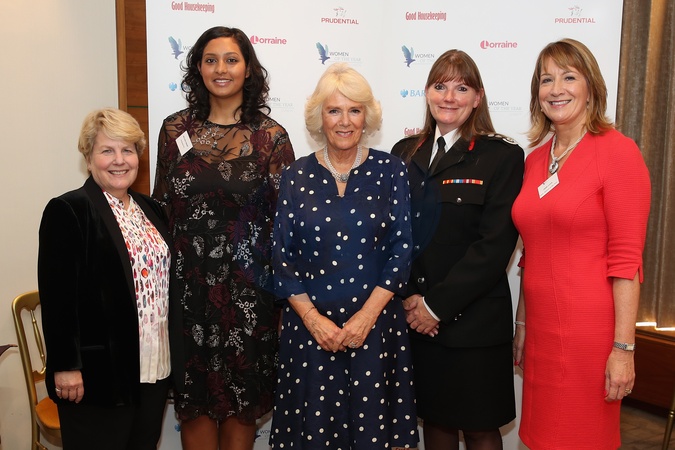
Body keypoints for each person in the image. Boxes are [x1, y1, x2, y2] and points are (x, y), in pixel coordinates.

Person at [152, 26, 295, 450]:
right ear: (198, 67)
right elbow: (161, 209)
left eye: (232, 60)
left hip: (248, 292)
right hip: (187, 289)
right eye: (211, 59)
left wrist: (284, 301)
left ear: (248, 69)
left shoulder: (271, 137)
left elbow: (283, 228)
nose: (221, 69)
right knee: (193, 401)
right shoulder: (173, 130)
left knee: (240, 402)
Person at [511, 38, 651, 449]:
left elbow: (627, 262)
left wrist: (623, 349)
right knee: (540, 438)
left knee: (580, 437)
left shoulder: (619, 153)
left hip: (590, 334)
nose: (556, 89)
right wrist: (522, 324)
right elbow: (531, 252)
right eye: (546, 80)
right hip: (540, 331)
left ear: (591, 87)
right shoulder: (536, 160)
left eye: (569, 77)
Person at [270, 63, 418, 450]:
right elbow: (282, 258)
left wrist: (366, 317)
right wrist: (314, 321)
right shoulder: (295, 176)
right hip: (310, 335)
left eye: (354, 110)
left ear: (367, 116)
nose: (344, 121)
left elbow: (402, 249)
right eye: (334, 110)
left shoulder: (391, 170)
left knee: (373, 436)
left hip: (376, 329)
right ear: (319, 116)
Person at [391, 50, 524, 450]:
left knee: (480, 428)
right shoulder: (404, 153)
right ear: (427, 92)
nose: (449, 97)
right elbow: (392, 235)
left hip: (473, 322)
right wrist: (411, 297)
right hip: (416, 318)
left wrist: (435, 307)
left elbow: (494, 246)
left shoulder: (501, 156)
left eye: (462, 88)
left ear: (477, 97)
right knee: (436, 421)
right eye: (440, 86)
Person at [38, 108, 172, 450]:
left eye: (127, 149)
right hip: (98, 377)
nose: (119, 160)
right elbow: (58, 298)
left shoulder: (151, 209)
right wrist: (66, 366)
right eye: (107, 150)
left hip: (154, 369)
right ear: (88, 158)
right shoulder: (69, 210)